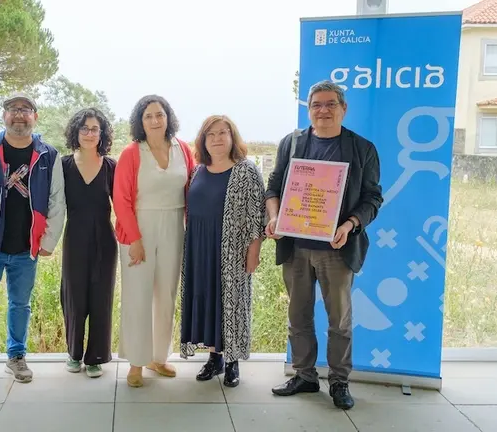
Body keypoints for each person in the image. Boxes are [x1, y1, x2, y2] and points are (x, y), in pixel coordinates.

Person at [266, 80, 383, 410]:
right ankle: (304, 375)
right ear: (309, 109)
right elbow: (273, 188)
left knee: (339, 319)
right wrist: (274, 219)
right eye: (316, 104)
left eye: (331, 104)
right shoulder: (291, 144)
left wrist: (349, 224)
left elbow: (373, 198)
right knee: (298, 315)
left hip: (337, 248)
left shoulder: (362, 149)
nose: (323, 110)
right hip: (296, 247)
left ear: (343, 109)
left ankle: (339, 380)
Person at [0, 93, 65, 389]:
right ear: (3, 116)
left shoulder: (48, 155)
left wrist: (49, 240)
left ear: (35, 116)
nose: (19, 115)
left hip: (26, 248)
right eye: (13, 109)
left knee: (20, 305)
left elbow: (57, 201)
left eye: (26, 110)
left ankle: (16, 356)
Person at [113, 95, 195, 387]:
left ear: (168, 117)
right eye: (148, 116)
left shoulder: (183, 149)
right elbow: (121, 200)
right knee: (138, 296)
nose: (155, 120)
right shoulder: (132, 153)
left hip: (174, 225)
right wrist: (134, 239)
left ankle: (158, 357)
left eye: (159, 114)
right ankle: (136, 362)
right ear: (140, 121)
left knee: (166, 295)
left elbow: (192, 190)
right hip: (139, 227)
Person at [179, 115, 265, 388]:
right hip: (198, 248)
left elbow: (257, 214)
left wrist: (255, 249)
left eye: (222, 133)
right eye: (211, 134)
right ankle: (214, 358)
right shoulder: (198, 170)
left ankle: (232, 362)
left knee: (231, 304)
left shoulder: (246, 170)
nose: (217, 138)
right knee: (207, 301)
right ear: (203, 140)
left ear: (232, 137)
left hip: (232, 250)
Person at [59, 108, 118, 378]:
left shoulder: (110, 166)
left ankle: (95, 357)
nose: (90, 134)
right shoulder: (63, 165)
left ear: (102, 133)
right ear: (76, 132)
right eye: (85, 128)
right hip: (75, 236)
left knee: (100, 297)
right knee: (74, 296)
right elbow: (53, 206)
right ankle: (74, 353)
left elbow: (125, 206)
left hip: (105, 239)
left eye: (95, 129)